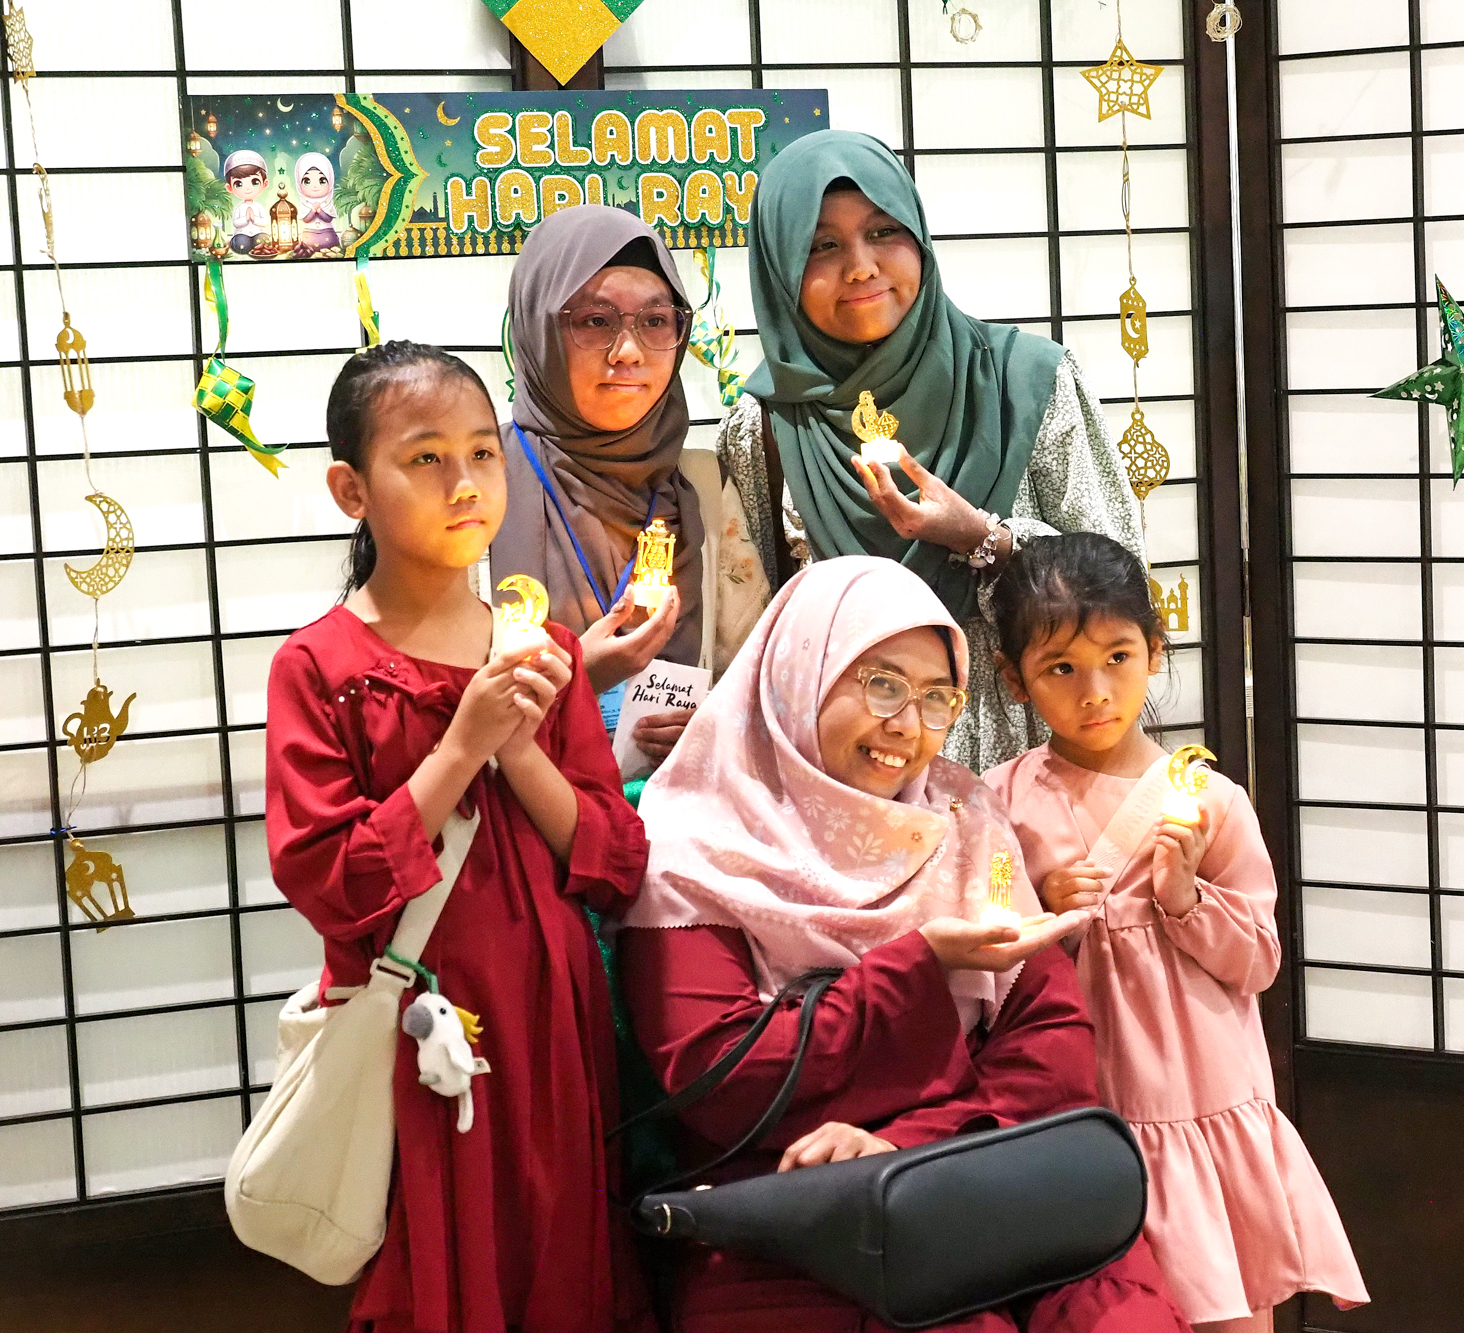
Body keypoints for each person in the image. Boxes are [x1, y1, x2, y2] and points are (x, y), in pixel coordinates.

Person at [618, 556, 1192, 1333]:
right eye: (882, 684)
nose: (908, 728)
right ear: (800, 671)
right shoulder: (696, 841)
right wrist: (920, 962)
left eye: (935, 698)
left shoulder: (962, 815)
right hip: (792, 1216)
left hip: (976, 1172)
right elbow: (724, 1078)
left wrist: (901, 1141)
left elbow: (1053, 1043)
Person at [265, 341, 655, 1333]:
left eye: (483, 453)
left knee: (559, 1230)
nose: (464, 482)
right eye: (425, 457)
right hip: (419, 1019)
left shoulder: (543, 651)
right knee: (439, 1246)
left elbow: (611, 859)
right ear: (352, 487)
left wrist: (518, 752)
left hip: (550, 1014)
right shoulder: (318, 668)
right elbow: (331, 879)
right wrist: (459, 747)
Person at [983, 533, 1369, 1333]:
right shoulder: (999, 802)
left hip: (1205, 1103)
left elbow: (1258, 959)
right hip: (1085, 1110)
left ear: (1155, 652)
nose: (1095, 689)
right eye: (1060, 668)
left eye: (1118, 656)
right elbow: (983, 946)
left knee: (1232, 1312)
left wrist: (1185, 895)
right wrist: (1041, 905)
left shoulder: (1213, 800)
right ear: (1012, 679)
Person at [714, 129, 1144, 772]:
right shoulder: (765, 427)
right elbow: (764, 633)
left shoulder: (1025, 381)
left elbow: (1121, 583)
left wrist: (982, 537)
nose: (861, 266)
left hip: (1031, 772)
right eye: (822, 246)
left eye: (884, 233)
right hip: (856, 776)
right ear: (779, 269)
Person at [492, 205, 769, 766]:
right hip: (515, 829)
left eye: (655, 320)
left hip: (678, 832)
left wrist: (717, 726)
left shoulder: (704, 488)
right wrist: (575, 684)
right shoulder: (477, 480)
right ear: (539, 328)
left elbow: (758, 688)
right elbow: (422, 712)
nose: (629, 352)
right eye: (595, 321)